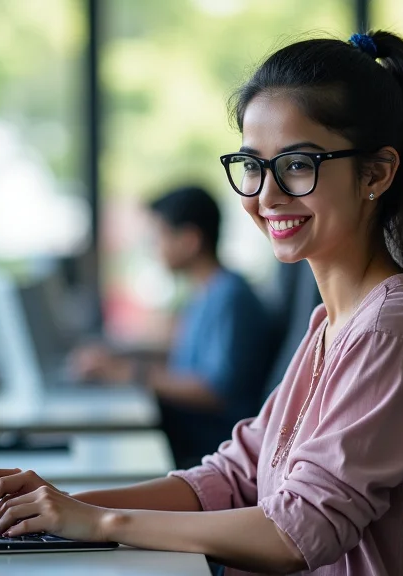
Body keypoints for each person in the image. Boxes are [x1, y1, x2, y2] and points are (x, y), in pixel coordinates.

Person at [0, 30, 403, 575]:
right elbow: (235, 476)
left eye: (296, 163)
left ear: (377, 173)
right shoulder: (334, 325)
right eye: (251, 165)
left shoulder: (390, 333)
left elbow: (295, 533)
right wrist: (68, 505)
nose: (265, 195)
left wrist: (101, 523)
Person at [70, 185, 275, 468]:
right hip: (189, 432)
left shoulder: (231, 297)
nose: (154, 247)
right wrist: (118, 358)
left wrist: (129, 372)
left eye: (159, 236)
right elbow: (186, 360)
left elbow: (215, 391)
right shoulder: (206, 291)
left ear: (189, 240)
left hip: (213, 446)